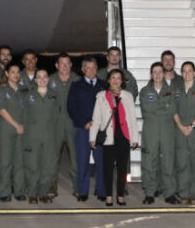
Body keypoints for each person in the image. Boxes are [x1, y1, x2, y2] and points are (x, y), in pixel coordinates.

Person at [90, 69, 139, 206]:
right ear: (108, 80)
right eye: (113, 77)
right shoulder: (101, 96)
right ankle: (109, 195)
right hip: (108, 138)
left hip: (123, 136)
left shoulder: (127, 96)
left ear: (122, 81)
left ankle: (121, 195)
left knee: (122, 168)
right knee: (108, 168)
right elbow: (96, 118)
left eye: (118, 78)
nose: (116, 80)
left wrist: (134, 137)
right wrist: (92, 137)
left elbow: (132, 119)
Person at [67, 57, 107, 201]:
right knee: (82, 162)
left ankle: (102, 191)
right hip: (83, 129)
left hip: (100, 130)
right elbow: (71, 108)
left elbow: (108, 107)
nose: (91, 71)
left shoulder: (104, 85)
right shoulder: (76, 86)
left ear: (97, 69)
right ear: (83, 70)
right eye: (88, 68)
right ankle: (83, 192)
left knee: (101, 162)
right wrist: (84, 122)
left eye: (93, 67)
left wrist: (99, 123)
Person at [139, 62, 177, 204]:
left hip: (167, 131)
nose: (157, 75)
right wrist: (163, 105)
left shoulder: (171, 90)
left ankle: (169, 193)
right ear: (151, 74)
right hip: (151, 131)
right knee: (149, 162)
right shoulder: (145, 91)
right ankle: (149, 192)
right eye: (154, 72)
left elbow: (172, 110)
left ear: (164, 73)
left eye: (160, 71)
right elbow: (146, 109)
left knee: (168, 162)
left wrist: (158, 107)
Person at [173, 61, 195, 204]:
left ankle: (194, 194)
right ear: (181, 73)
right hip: (180, 130)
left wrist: (191, 126)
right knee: (182, 163)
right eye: (184, 71)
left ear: (194, 73)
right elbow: (172, 110)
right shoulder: (176, 90)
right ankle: (184, 193)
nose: (187, 74)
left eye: (189, 71)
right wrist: (181, 126)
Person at [23, 69, 59, 203]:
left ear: (48, 79)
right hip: (32, 135)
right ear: (35, 80)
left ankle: (44, 192)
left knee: (48, 165)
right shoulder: (28, 96)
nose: (42, 79)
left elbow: (57, 115)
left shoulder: (54, 95)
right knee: (32, 165)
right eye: (39, 77)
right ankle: (32, 193)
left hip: (49, 135)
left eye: (45, 77)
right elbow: (24, 116)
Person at [0, 63, 28, 202]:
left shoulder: (24, 90)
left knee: (19, 161)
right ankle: (4, 192)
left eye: (17, 72)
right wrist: (16, 125)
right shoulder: (1, 90)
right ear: (7, 74)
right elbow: (1, 110)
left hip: (21, 130)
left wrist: (23, 126)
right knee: (5, 162)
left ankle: (19, 190)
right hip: (6, 130)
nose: (15, 74)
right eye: (12, 72)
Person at [48, 53, 75, 196]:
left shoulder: (77, 80)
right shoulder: (49, 80)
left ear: (70, 64)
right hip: (55, 124)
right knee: (52, 157)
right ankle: (52, 186)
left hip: (73, 123)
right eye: (61, 63)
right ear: (56, 65)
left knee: (75, 157)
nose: (64, 66)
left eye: (67, 63)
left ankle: (78, 187)